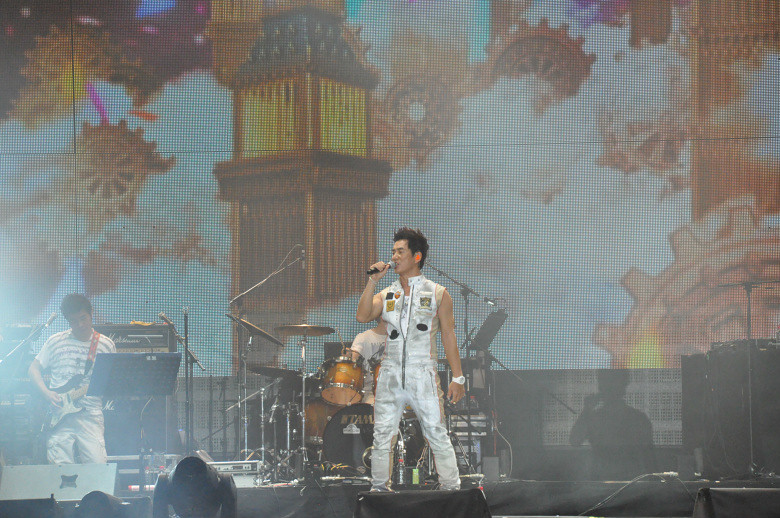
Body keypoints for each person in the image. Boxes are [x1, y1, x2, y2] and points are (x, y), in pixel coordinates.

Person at [357, 227, 465, 491]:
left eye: (400, 252)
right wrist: (372, 281)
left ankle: (451, 488)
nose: (394, 257)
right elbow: (362, 316)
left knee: (435, 431)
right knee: (382, 434)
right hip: (390, 372)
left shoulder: (437, 292)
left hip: (422, 372)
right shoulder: (387, 293)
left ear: (416, 257)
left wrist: (458, 377)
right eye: (393, 252)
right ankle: (379, 490)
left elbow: (449, 336)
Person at [28, 294, 116, 464]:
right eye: (74, 321)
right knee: (60, 470)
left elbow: (111, 379)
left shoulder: (106, 344)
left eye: (83, 318)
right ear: (67, 320)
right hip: (58, 415)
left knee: (97, 467)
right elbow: (33, 369)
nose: (80, 325)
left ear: (91, 313)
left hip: (90, 414)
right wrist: (47, 393)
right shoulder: (55, 341)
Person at [570, 369, 656, 480]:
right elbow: (575, 440)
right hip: (611, 482)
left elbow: (649, 459)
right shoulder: (638, 418)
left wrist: (586, 411)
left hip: (621, 482)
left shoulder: (637, 419)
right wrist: (586, 410)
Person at [349, 318, 387, 404]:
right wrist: (350, 355)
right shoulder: (363, 337)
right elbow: (353, 358)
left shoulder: (399, 339)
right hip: (370, 391)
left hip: (395, 390)